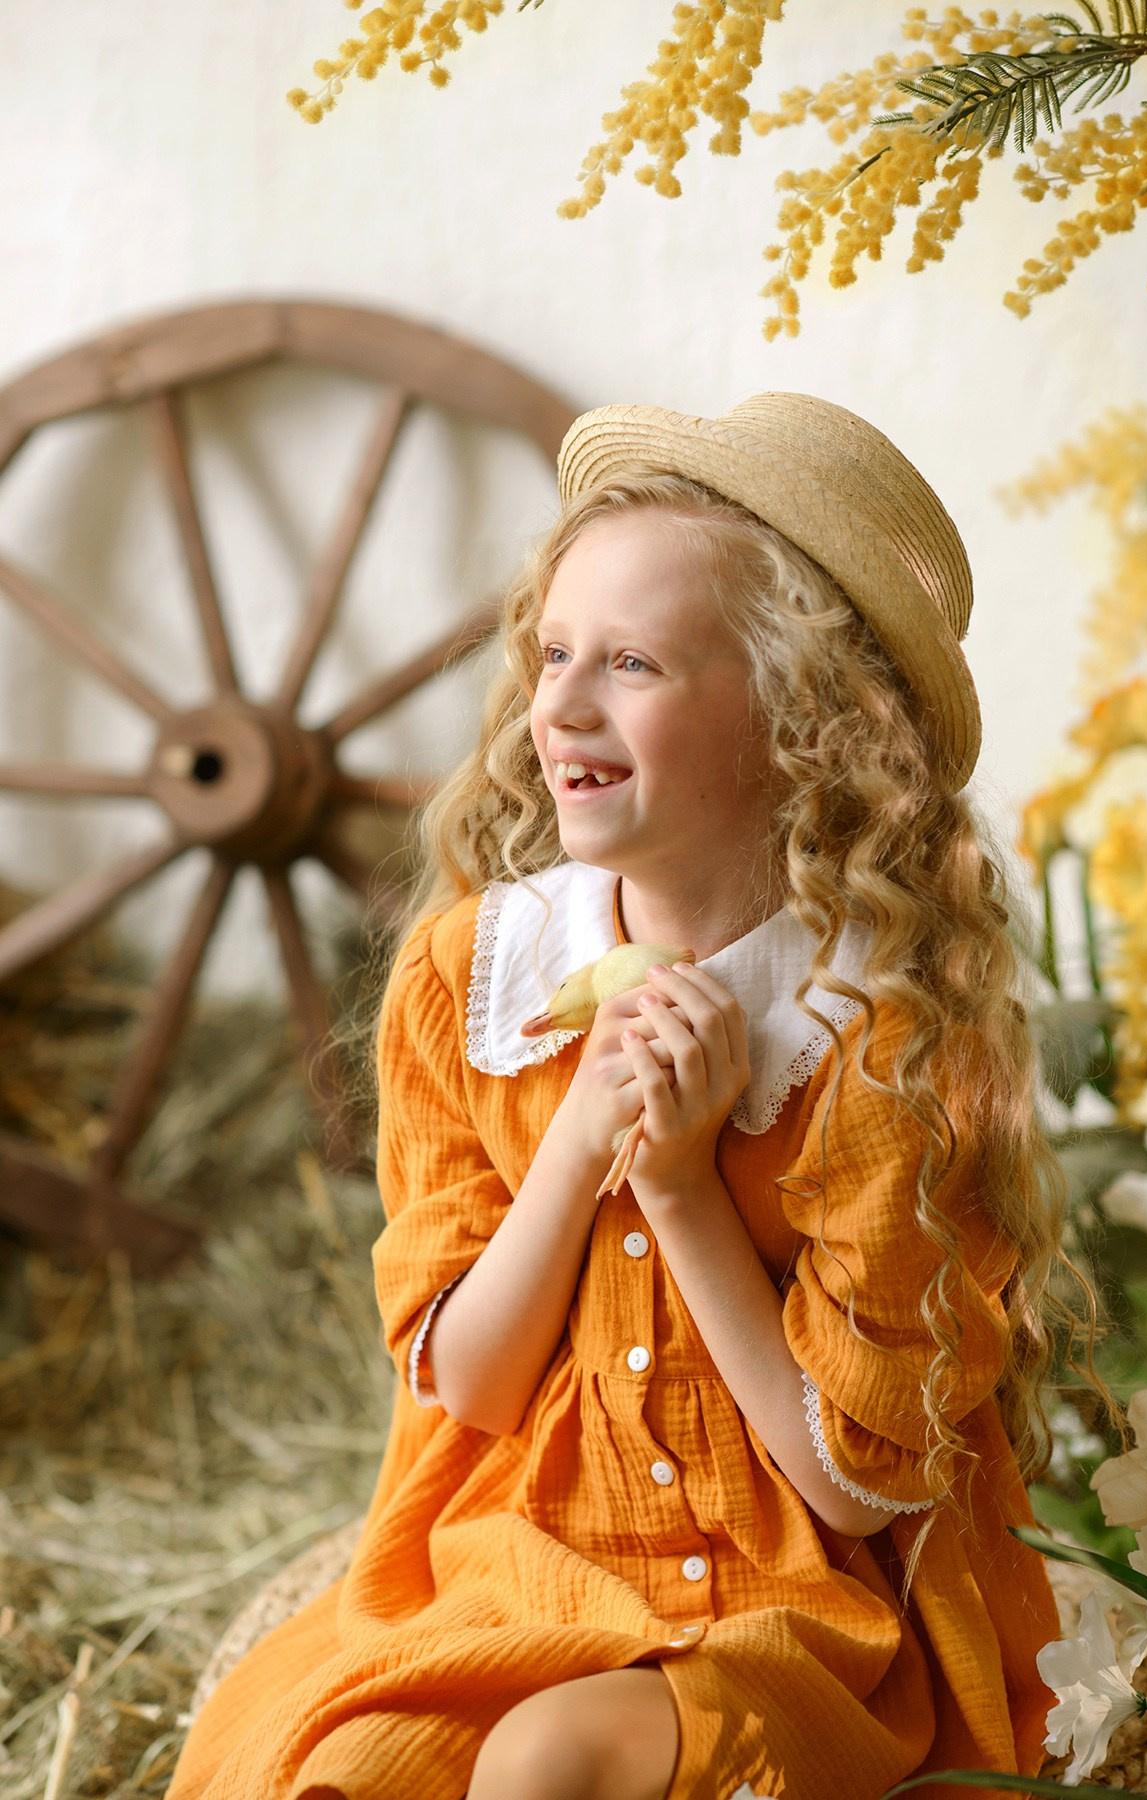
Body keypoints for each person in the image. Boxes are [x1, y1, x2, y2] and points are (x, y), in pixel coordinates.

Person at [168, 393, 1088, 1800]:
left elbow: (852, 1487)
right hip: (523, 1561)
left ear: (802, 725)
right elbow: (465, 1382)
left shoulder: (880, 1037)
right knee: (351, 1769)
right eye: (552, 654)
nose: (560, 705)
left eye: (635, 663)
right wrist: (585, 1140)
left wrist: (679, 1184)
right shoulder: (472, 979)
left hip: (790, 1605)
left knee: (554, 1762)